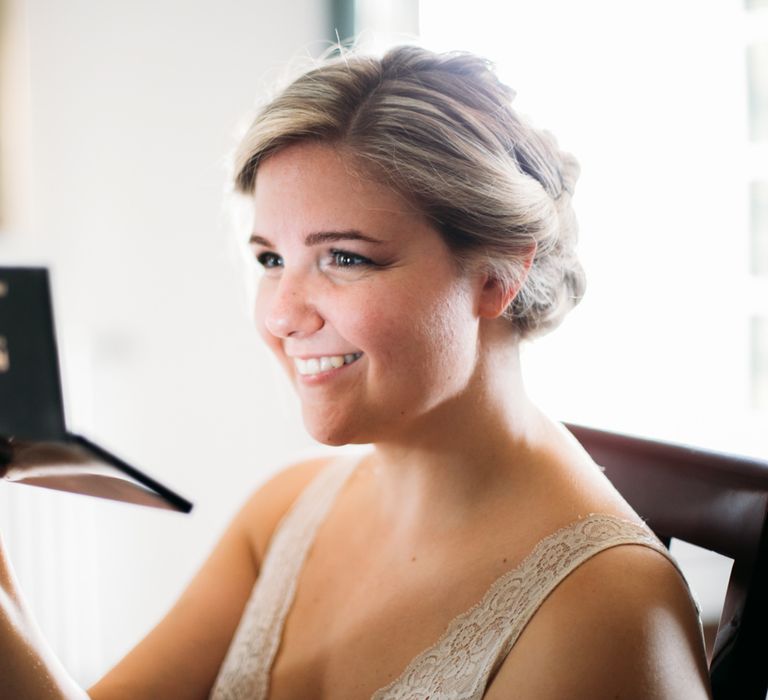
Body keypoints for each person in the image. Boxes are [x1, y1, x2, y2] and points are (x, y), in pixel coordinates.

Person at [1, 45, 711, 699]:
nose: (281, 315)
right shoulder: (281, 517)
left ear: (497, 274)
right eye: (270, 259)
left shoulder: (608, 613)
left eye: (345, 257)